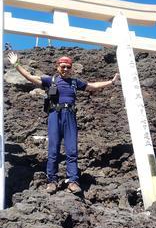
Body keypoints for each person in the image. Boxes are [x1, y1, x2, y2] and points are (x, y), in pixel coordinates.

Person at [7, 51, 119, 194]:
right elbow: (29, 77)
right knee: (53, 149)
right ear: (57, 67)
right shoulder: (50, 80)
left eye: (68, 67)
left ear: (71, 68)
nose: (65, 69)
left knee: (72, 150)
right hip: (55, 114)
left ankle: (73, 181)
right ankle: (52, 181)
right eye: (63, 66)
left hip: (70, 115)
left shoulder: (74, 82)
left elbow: (93, 86)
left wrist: (111, 82)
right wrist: (16, 64)